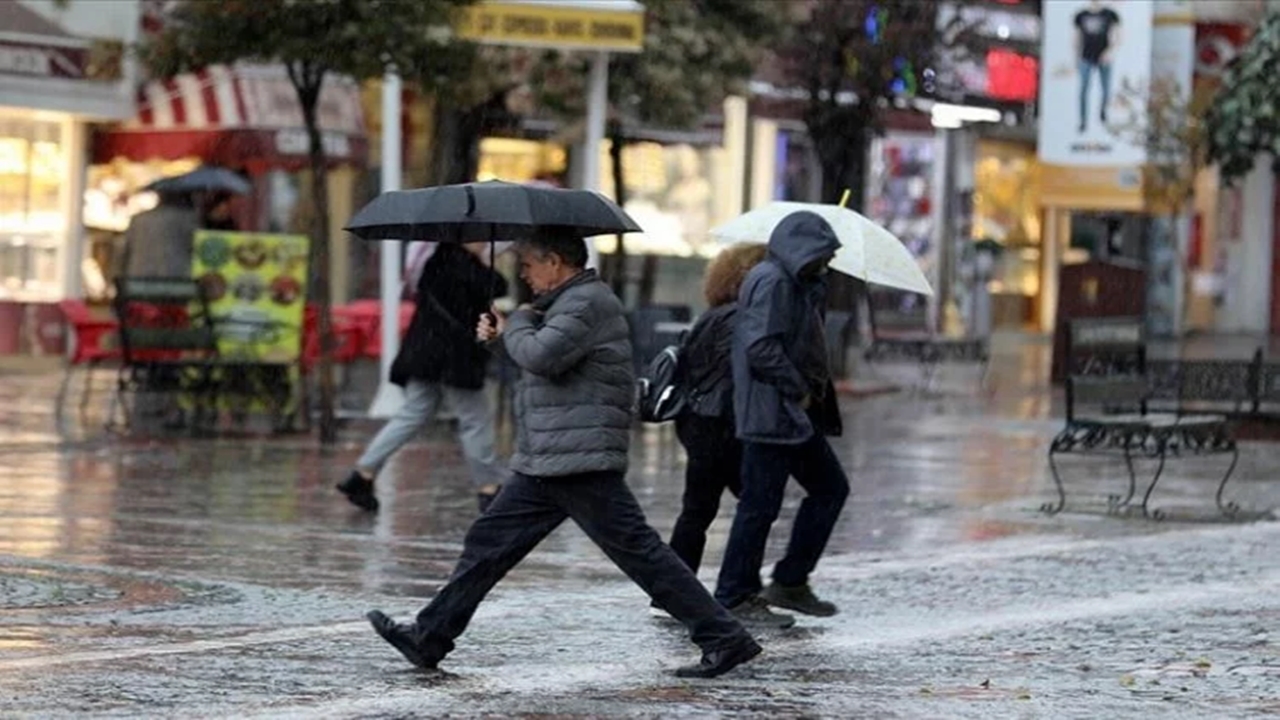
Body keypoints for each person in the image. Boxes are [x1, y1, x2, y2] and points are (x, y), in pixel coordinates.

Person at [365, 230, 761, 679]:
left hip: (579, 455)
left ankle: (724, 637)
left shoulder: (587, 302)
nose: (524, 276)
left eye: (529, 266)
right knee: (488, 543)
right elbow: (546, 362)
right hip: (550, 455)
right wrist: (502, 338)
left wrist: (514, 325)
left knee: (641, 553)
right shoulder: (563, 306)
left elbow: (542, 355)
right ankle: (429, 636)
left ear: (554, 262)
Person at [713, 211, 849, 623]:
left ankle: (789, 580)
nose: (825, 263)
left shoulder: (795, 283)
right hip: (772, 413)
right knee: (760, 505)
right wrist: (799, 387)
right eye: (820, 256)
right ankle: (735, 593)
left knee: (827, 489)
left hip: (788, 416)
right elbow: (760, 347)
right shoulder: (773, 280)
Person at [337, 242, 509, 513]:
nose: (484, 244)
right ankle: (489, 488)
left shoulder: (435, 260)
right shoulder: (464, 266)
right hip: (453, 359)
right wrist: (484, 265)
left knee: (413, 413)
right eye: (479, 239)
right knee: (475, 419)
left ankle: (363, 472)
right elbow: (498, 286)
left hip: (424, 354)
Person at [663, 243, 767, 578]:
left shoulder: (714, 315)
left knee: (698, 509)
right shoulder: (739, 318)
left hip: (699, 421)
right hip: (722, 425)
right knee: (757, 505)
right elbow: (735, 374)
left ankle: (674, 590)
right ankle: (737, 586)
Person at [119, 190, 200, 279]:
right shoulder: (190, 219)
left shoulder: (138, 220)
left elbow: (125, 251)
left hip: (138, 277)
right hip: (177, 276)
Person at [1074, 0, 1121, 134]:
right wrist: (1076, 58)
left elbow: (1118, 35)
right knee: (1083, 90)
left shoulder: (1110, 14)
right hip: (1086, 56)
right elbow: (1076, 38)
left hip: (1103, 57)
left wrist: (1110, 51)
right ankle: (1083, 121)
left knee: (1106, 89)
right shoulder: (1081, 15)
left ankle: (1103, 112)